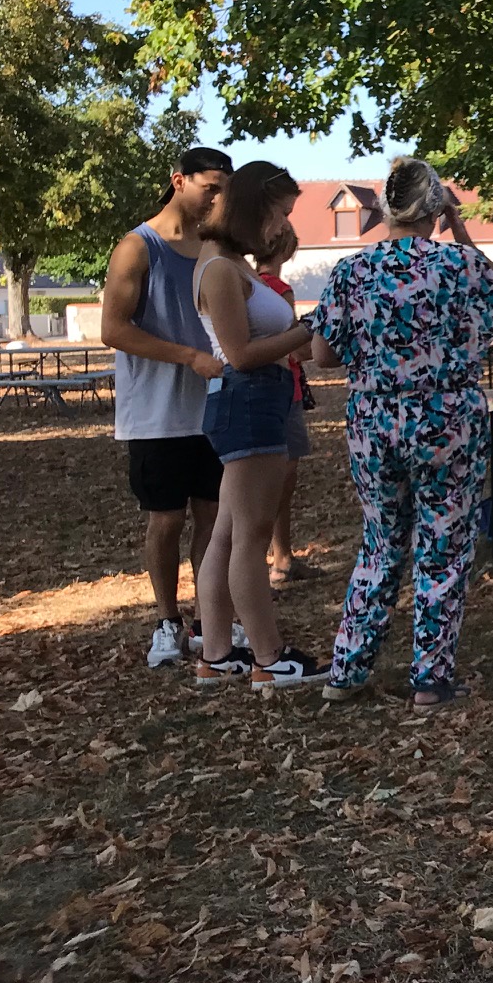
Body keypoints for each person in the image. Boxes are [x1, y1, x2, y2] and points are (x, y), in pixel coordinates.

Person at [311, 157, 493, 709]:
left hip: (374, 422)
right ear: (436, 209)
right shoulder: (458, 265)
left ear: (383, 209)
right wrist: (462, 230)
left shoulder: (350, 271)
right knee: (444, 548)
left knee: (380, 545)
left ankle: (347, 671)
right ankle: (429, 677)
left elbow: (323, 354)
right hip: (448, 419)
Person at [191, 160, 328, 689]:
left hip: (256, 400)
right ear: (254, 208)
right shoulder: (222, 269)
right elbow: (241, 354)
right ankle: (269, 659)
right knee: (251, 536)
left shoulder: (233, 262)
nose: (282, 227)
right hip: (247, 400)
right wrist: (307, 330)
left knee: (228, 532)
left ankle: (219, 653)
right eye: (279, 214)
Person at [102, 146, 235, 668]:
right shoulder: (138, 247)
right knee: (166, 520)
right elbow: (114, 329)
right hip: (155, 413)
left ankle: (207, 622)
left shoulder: (216, 248)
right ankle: (166, 620)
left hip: (215, 408)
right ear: (179, 181)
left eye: (226, 189)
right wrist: (188, 357)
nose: (218, 198)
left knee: (212, 517)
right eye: (211, 187)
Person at [252, 223, 317, 587]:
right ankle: (279, 560)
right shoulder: (280, 290)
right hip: (284, 391)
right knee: (281, 484)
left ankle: (280, 557)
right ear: (286, 250)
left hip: (261, 393)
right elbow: (298, 348)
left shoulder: (246, 285)